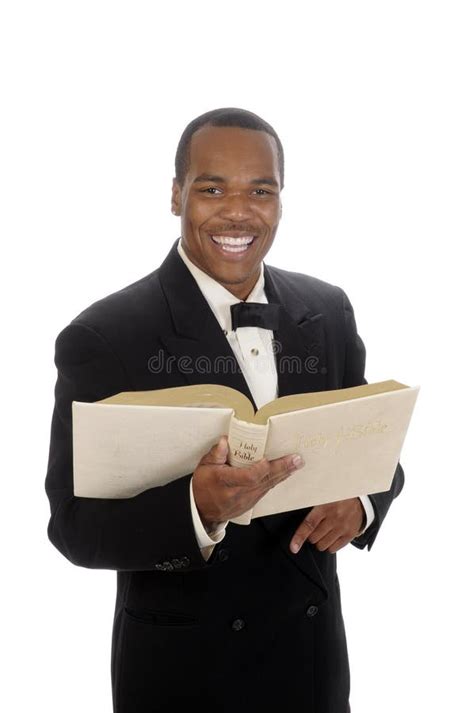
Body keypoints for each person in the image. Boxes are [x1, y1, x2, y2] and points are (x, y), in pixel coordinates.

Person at [45, 107, 404, 713]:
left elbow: (375, 447)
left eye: (260, 191)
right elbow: (74, 529)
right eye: (212, 188)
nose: (238, 211)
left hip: (310, 662)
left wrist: (364, 504)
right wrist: (197, 509)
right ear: (176, 194)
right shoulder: (104, 335)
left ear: (281, 200)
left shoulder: (328, 309)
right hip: (183, 672)